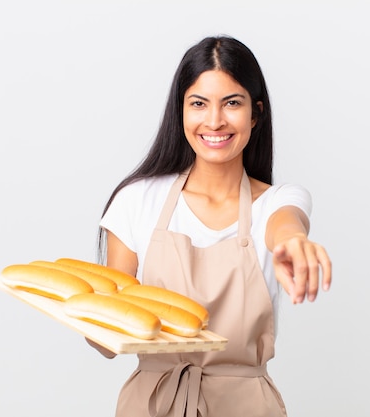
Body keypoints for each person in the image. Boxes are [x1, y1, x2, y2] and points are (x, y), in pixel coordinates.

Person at [90, 35, 332, 417]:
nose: (214, 120)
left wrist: (292, 240)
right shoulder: (138, 200)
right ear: (181, 111)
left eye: (232, 103)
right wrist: (89, 316)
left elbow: (286, 224)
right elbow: (106, 339)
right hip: (151, 404)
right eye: (198, 103)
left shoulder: (276, 202)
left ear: (255, 113)